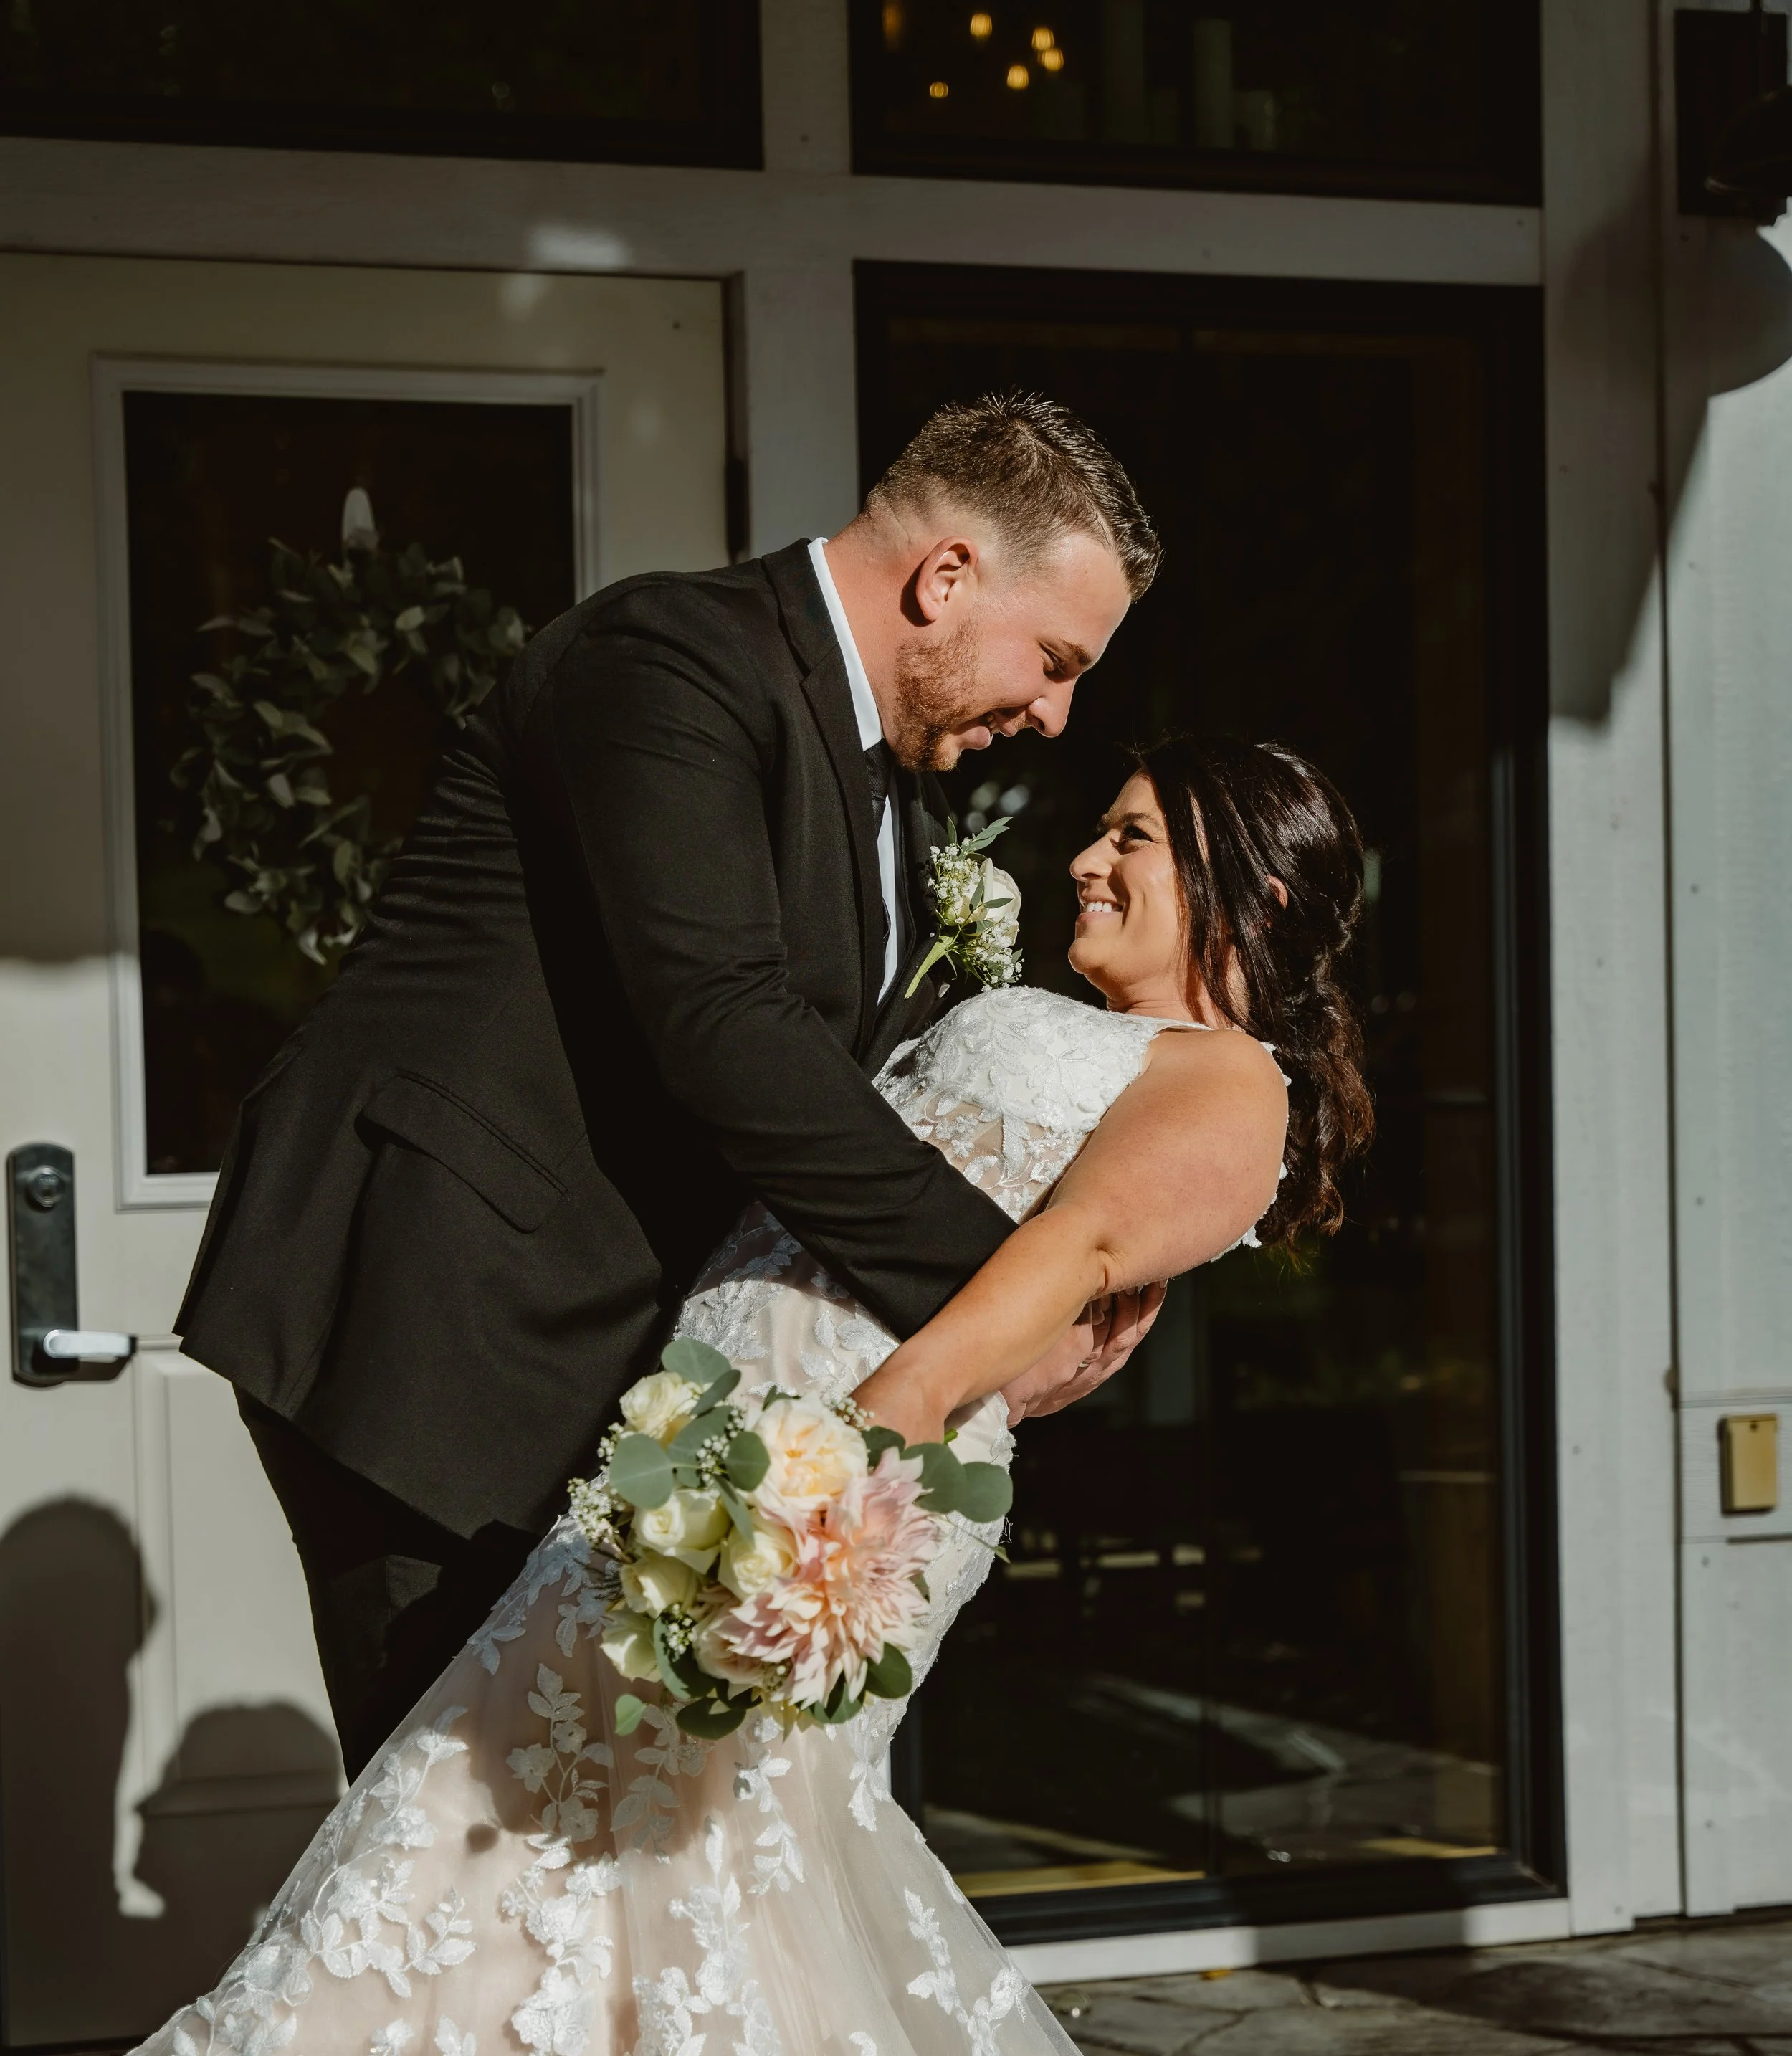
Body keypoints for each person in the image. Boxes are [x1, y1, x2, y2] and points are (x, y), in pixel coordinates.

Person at [11, 736, 1792, 2056]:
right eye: (1097, 824)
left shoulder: (1228, 1082)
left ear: (1243, 889)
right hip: (720, 1432)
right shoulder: (1031, 1008)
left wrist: (860, 1434)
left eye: (1133, 836)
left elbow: (1079, 1259)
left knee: (568, 1841)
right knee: (568, 1856)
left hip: (834, 1472)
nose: (1086, 857)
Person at [176, 394, 1165, 1783]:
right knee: (462, 1843)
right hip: (435, 1329)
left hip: (592, 1359)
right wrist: (1005, 1289)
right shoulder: (671, 662)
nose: (1054, 713)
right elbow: (721, 1027)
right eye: (1051, 659)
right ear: (943, 578)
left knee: (575, 1849)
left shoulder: (901, 779)